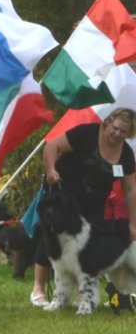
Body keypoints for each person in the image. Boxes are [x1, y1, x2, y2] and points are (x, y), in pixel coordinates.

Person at [30, 108, 136, 307]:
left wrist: (133, 223)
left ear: (129, 134)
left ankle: (84, 296)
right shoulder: (86, 133)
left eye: (123, 132)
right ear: (108, 122)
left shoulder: (127, 155)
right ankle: (38, 289)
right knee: (53, 239)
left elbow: (130, 189)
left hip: (94, 203)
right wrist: (51, 170)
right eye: (115, 128)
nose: (117, 134)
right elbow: (52, 146)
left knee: (88, 249)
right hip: (64, 197)